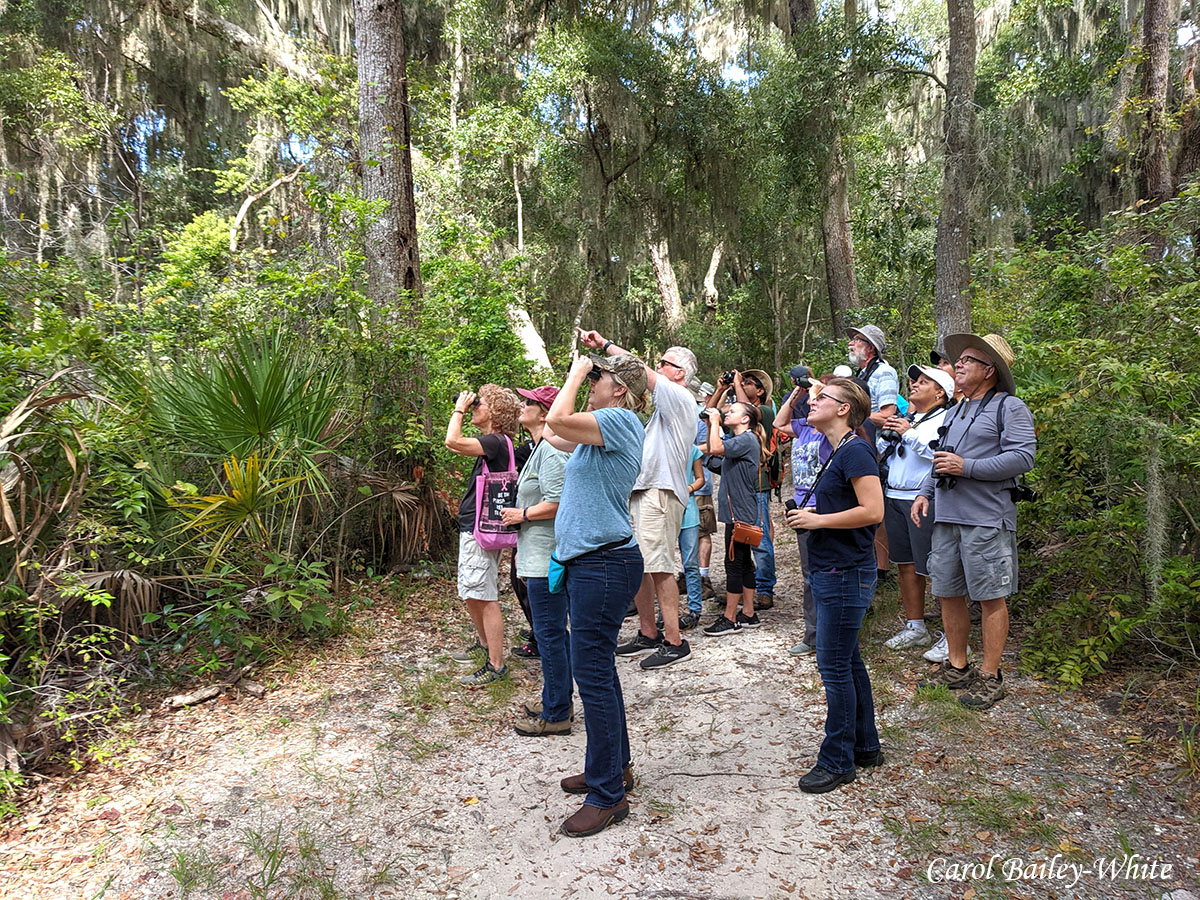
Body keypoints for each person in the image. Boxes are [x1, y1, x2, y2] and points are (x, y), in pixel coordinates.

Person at [544, 353, 647, 837]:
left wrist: (577, 371)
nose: (590, 385)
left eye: (598, 380)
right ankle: (614, 766)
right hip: (595, 564)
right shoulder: (601, 432)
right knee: (599, 672)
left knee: (593, 674)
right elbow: (553, 432)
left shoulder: (622, 419)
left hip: (604, 565)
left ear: (619, 389)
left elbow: (557, 419)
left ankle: (608, 795)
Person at [912, 334, 1036, 711]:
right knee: (948, 592)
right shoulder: (955, 410)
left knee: (989, 597)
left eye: (968, 359)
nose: (958, 364)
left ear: (989, 370)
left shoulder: (1009, 408)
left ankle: (990, 676)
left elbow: (1023, 458)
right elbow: (941, 458)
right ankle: (957, 665)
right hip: (947, 517)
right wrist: (924, 492)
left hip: (986, 518)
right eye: (959, 358)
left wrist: (969, 468)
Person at [784, 377, 885, 793]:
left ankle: (838, 760)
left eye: (822, 396)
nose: (813, 399)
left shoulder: (856, 450)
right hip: (833, 568)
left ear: (843, 409)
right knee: (849, 660)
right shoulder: (839, 450)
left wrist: (818, 521)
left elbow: (873, 510)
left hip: (844, 572)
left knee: (834, 667)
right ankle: (865, 745)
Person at [577, 328, 698, 670]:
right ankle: (648, 632)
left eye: (666, 363)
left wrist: (603, 345)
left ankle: (674, 640)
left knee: (659, 566)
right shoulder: (661, 413)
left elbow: (635, 369)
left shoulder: (680, 398)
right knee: (640, 566)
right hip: (645, 492)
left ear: (681, 374)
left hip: (660, 492)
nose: (658, 366)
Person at [500, 385, 573, 736]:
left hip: (547, 559)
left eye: (529, 402)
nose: (522, 406)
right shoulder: (540, 449)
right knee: (551, 633)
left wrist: (522, 514)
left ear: (545, 412)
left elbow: (560, 502)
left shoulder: (553, 452)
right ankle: (555, 699)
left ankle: (557, 712)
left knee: (550, 635)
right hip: (535, 555)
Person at [445, 385, 525, 687]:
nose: (476, 406)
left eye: (482, 403)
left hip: (481, 532)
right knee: (471, 590)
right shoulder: (495, 443)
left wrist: (460, 409)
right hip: (474, 528)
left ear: (496, 412)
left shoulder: (496, 441)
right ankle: (483, 645)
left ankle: (496, 664)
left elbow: (452, 440)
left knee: (484, 594)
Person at [879, 365, 955, 652]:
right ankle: (916, 626)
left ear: (940, 393)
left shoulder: (947, 418)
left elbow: (939, 456)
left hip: (923, 499)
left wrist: (909, 434)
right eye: (915, 380)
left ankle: (952, 635)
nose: (914, 385)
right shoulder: (909, 417)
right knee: (906, 564)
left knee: (937, 566)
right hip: (895, 496)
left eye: (924, 382)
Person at [773, 366, 832, 657]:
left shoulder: (830, 433)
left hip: (826, 511)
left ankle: (832, 634)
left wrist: (816, 388)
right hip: (802, 508)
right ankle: (813, 636)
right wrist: (797, 390)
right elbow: (779, 422)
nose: (811, 403)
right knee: (810, 576)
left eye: (816, 400)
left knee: (829, 573)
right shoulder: (802, 428)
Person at [700, 400, 766, 636]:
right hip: (741, 510)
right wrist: (711, 425)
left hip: (740, 512)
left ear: (746, 419)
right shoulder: (740, 443)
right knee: (744, 561)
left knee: (733, 563)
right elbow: (714, 454)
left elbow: (716, 450)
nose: (728, 413)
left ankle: (730, 618)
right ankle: (748, 613)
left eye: (733, 411)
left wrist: (716, 420)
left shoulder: (746, 439)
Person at [847, 324, 898, 577]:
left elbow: (888, 414)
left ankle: (882, 568)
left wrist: (851, 417)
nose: (850, 344)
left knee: (877, 510)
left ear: (870, 348)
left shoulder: (884, 373)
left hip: (878, 451)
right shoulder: (863, 374)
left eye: (856, 340)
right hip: (861, 447)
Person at [732, 369, 779, 611]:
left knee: (759, 539)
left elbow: (745, 409)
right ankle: (742, 588)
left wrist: (737, 386)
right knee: (738, 539)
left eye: (748, 383)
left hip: (756, 484)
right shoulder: (734, 412)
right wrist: (723, 388)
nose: (742, 384)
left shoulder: (767, 412)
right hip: (737, 485)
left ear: (759, 391)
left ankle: (765, 588)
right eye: (743, 381)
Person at [675, 441, 706, 630]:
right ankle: (666, 611)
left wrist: (689, 488)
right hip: (665, 510)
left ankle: (694, 609)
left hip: (688, 511)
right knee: (664, 565)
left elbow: (700, 478)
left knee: (691, 563)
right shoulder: (658, 445)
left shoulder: (692, 449)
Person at [693, 382, 719, 601]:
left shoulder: (699, 415)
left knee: (702, 531)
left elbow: (709, 446)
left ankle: (704, 579)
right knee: (684, 533)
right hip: (676, 484)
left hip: (699, 484)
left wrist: (682, 450)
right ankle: (688, 575)